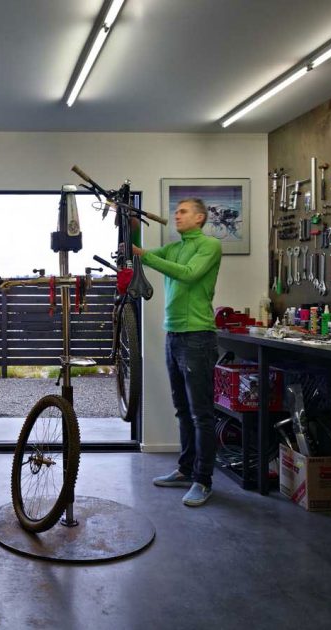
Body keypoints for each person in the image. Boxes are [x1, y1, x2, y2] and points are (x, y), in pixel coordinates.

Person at [131, 198, 222, 507]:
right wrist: (130, 228)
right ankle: (185, 470)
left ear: (199, 217)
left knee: (201, 414)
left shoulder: (209, 246)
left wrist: (145, 256)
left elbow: (187, 274)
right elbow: (141, 258)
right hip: (174, 336)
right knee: (182, 410)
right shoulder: (175, 247)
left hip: (198, 336)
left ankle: (203, 479)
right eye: (176, 211)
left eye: (183, 211)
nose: (177, 215)